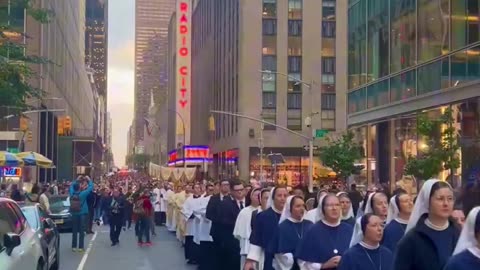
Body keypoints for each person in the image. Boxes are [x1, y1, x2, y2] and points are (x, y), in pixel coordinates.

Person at [393, 179, 460, 270]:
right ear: (427, 202)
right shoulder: (411, 240)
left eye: (450, 199)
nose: (446, 203)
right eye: (440, 199)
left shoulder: (459, 234)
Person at [295, 194, 354, 270]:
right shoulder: (312, 230)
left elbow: (357, 256)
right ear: (323, 209)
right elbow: (303, 262)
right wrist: (322, 265)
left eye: (337, 205)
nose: (334, 208)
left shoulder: (348, 229)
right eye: (330, 205)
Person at [245, 186, 288, 270]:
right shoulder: (263, 216)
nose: (282, 198)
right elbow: (256, 240)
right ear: (273, 198)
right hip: (269, 259)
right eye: (279, 195)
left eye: (285, 196)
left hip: (290, 260)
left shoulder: (292, 216)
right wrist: (250, 261)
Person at [271, 196, 313, 270]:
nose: (302, 208)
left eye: (303, 206)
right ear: (289, 208)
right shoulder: (282, 227)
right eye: (298, 206)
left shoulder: (310, 224)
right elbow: (279, 254)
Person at [217, 180, 246, 269]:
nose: (240, 192)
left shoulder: (249, 202)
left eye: (241, 189)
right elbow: (223, 221)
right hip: (232, 240)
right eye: (237, 190)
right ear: (232, 192)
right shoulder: (226, 204)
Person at [206, 179, 231, 270]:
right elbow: (208, 213)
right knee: (217, 251)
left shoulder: (232, 198)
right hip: (217, 229)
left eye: (227, 185)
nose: (226, 187)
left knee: (228, 252)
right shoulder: (214, 198)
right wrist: (219, 219)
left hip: (229, 231)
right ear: (220, 187)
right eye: (224, 185)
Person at [234, 188, 261, 269]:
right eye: (256, 195)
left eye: (260, 195)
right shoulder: (244, 211)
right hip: (246, 245)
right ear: (251, 196)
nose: (258, 197)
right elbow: (238, 232)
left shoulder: (264, 211)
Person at [193, 183, 215, 270]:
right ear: (206, 189)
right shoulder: (201, 199)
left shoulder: (216, 199)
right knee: (204, 246)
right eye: (209, 190)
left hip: (214, 225)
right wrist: (206, 215)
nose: (211, 191)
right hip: (204, 225)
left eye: (212, 190)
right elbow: (196, 210)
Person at [69, 176, 94, 252]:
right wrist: (89, 180)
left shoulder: (72, 194)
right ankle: (81, 247)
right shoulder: (83, 194)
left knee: (75, 230)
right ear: (79, 187)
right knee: (81, 230)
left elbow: (71, 186)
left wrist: (76, 180)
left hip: (74, 213)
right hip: (82, 213)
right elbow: (91, 187)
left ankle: (73, 246)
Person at [182, 183, 202, 264]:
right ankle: (190, 257)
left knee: (198, 240)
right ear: (193, 189)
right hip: (191, 222)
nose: (197, 189)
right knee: (190, 240)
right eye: (195, 188)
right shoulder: (189, 199)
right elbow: (184, 209)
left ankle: (198, 257)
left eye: (198, 188)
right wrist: (190, 215)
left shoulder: (203, 199)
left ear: (200, 189)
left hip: (200, 222)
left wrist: (199, 215)